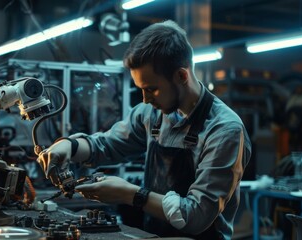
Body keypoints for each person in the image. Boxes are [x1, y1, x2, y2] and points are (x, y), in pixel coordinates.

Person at [37, 20, 252, 239]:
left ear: (181, 76)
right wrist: (69, 146)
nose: (145, 99)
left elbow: (195, 215)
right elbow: (108, 145)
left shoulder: (224, 130)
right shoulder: (152, 114)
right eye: (140, 89)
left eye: (152, 89)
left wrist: (131, 194)